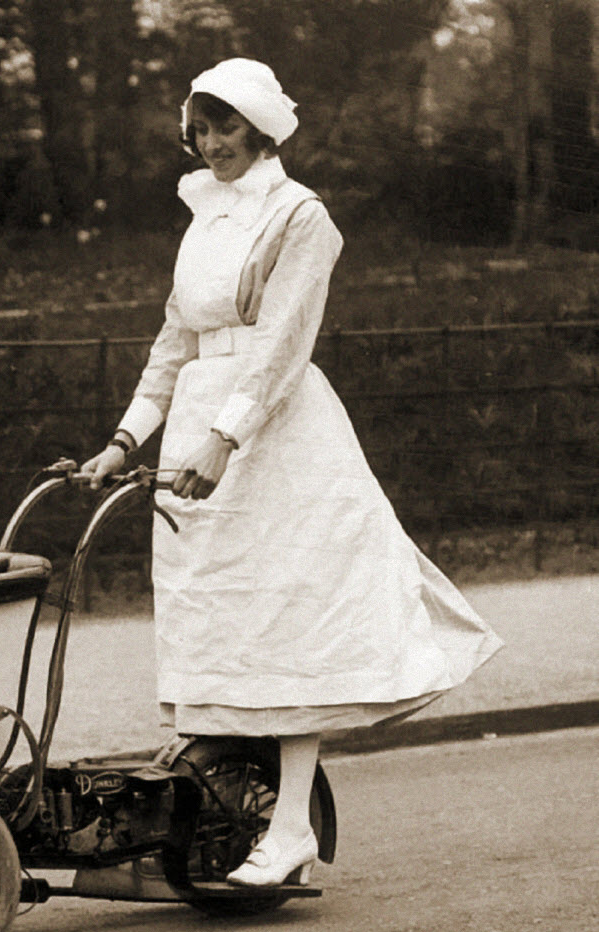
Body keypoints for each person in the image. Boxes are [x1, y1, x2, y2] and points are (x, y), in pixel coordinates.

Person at [80, 58, 502, 888]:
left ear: (262, 128)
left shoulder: (299, 216)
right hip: (200, 422)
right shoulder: (201, 218)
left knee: (288, 615)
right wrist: (125, 440)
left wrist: (223, 439)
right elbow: (174, 339)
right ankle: (223, 764)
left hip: (272, 432)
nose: (211, 146)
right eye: (199, 130)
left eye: (226, 127)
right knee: (215, 610)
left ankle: (290, 825)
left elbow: (281, 344)